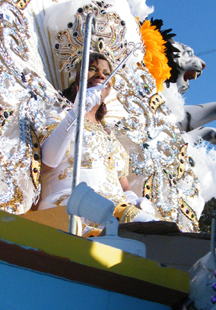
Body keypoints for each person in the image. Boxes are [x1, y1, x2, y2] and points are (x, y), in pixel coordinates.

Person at [38, 52, 156, 230]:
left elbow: (123, 184)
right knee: (143, 225)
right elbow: (46, 164)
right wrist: (76, 113)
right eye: (92, 69)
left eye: (106, 73)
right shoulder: (58, 114)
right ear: (77, 79)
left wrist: (134, 199)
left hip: (115, 206)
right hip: (70, 202)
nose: (100, 75)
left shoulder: (110, 136)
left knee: (157, 228)